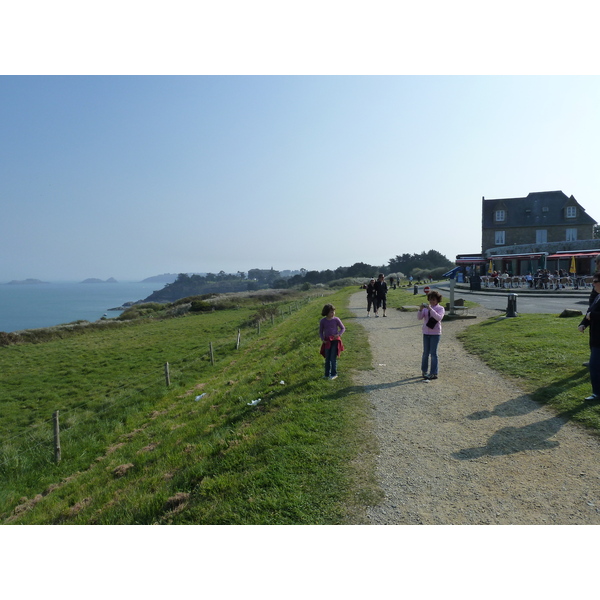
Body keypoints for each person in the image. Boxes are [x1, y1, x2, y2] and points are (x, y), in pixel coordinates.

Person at [578, 275, 600, 400]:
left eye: (595, 282)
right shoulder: (597, 296)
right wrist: (583, 324)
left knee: (595, 365)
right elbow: (589, 312)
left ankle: (597, 393)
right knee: (595, 365)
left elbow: (592, 314)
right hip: (595, 336)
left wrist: (593, 315)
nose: (593, 284)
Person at [417, 290, 445, 380]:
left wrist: (431, 309)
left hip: (435, 333)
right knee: (425, 353)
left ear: (437, 300)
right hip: (426, 332)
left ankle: (433, 373)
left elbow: (438, 317)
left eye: (433, 300)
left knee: (433, 353)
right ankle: (424, 371)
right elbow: (419, 318)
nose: (431, 302)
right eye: (430, 300)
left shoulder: (440, 308)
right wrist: (420, 310)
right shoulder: (426, 308)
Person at [319, 303, 345, 380]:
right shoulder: (323, 321)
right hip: (327, 341)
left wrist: (339, 334)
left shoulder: (336, 319)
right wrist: (323, 339)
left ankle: (334, 374)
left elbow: (343, 328)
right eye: (331, 312)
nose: (333, 313)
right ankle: (327, 374)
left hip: (335, 341)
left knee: (333, 358)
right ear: (326, 312)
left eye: (333, 311)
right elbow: (321, 332)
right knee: (327, 358)